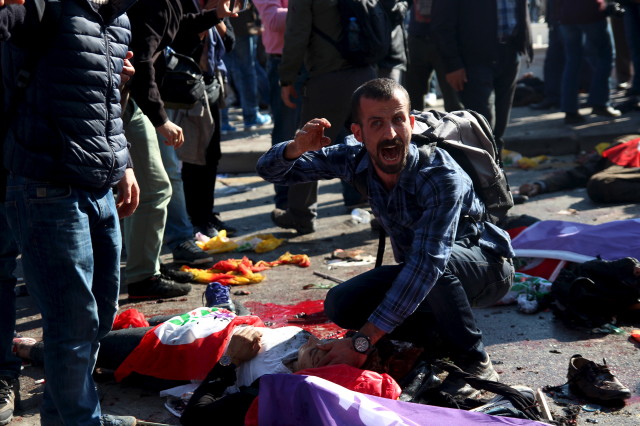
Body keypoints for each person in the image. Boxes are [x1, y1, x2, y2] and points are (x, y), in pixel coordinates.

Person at [256, 78, 515, 398]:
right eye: (376, 124)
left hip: (485, 266)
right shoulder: (354, 157)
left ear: (411, 123)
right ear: (359, 134)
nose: (390, 134)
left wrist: (361, 341)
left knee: (431, 268)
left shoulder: (439, 175)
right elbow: (270, 170)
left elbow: (426, 265)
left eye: (397, 120)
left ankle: (475, 361)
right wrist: (297, 147)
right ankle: (436, 339)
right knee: (341, 304)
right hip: (427, 272)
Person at [0, 0, 140, 423]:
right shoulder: (47, 8)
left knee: (99, 316)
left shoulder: (118, 18)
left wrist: (125, 163)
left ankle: (65, 416)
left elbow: (105, 105)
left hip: (99, 186)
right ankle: (82, 419)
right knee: (72, 321)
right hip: (47, 187)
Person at [274, 0, 377, 234]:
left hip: (328, 77)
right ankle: (389, 210)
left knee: (308, 145)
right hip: (367, 71)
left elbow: (296, 33)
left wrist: (287, 77)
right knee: (374, 144)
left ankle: (300, 214)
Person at [432, 0, 532, 155]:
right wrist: (452, 64)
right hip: (473, 57)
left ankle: (495, 169)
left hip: (510, 51)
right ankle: (484, 170)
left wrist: (526, 43)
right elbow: (442, 22)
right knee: (482, 126)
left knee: (500, 124)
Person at [518, 134, 640, 203]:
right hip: (615, 176)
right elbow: (580, 173)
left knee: (599, 184)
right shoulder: (627, 141)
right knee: (599, 183)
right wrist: (541, 185)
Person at [557, 0, 621, 124]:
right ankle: (600, 102)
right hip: (591, 12)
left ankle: (570, 110)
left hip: (566, 15)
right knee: (604, 57)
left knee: (572, 62)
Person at [405, 0, 462, 113]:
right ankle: (414, 128)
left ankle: (458, 128)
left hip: (447, 39)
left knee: (454, 101)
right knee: (412, 100)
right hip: (417, 38)